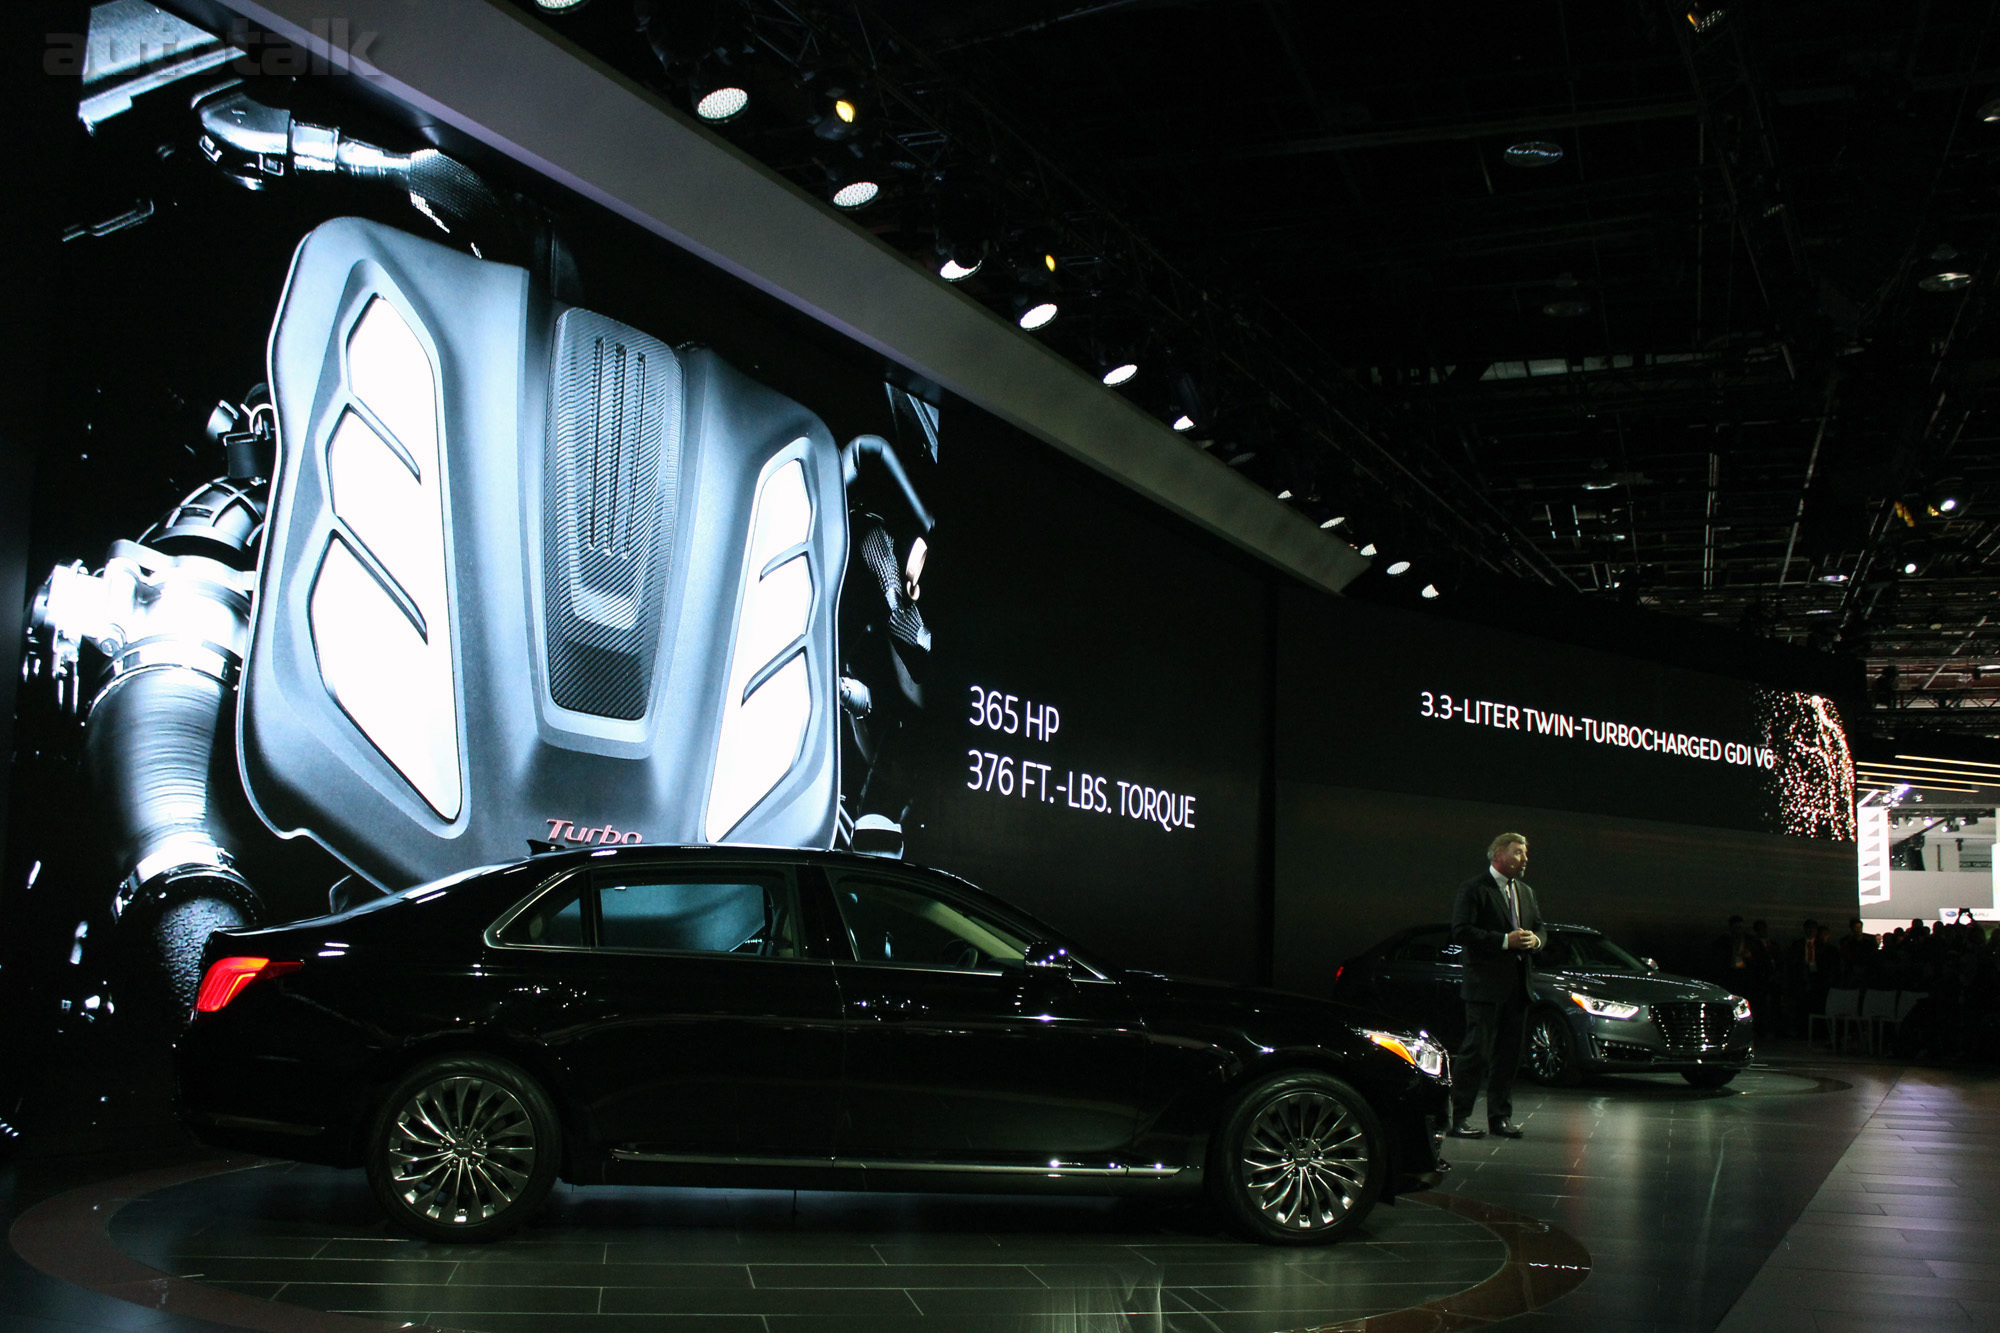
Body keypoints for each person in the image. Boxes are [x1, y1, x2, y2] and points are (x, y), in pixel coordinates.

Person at [1446, 832, 1543, 1140]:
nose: (1524, 858)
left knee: (1509, 1056)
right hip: (1485, 987)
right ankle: (1459, 1118)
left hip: (1517, 987)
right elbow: (1461, 931)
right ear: (1497, 855)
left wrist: (1536, 940)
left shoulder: (1526, 891)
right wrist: (1504, 941)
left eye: (1525, 853)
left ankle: (1500, 1118)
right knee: (1476, 1053)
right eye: (1518, 852)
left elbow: (1540, 925)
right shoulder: (1474, 889)